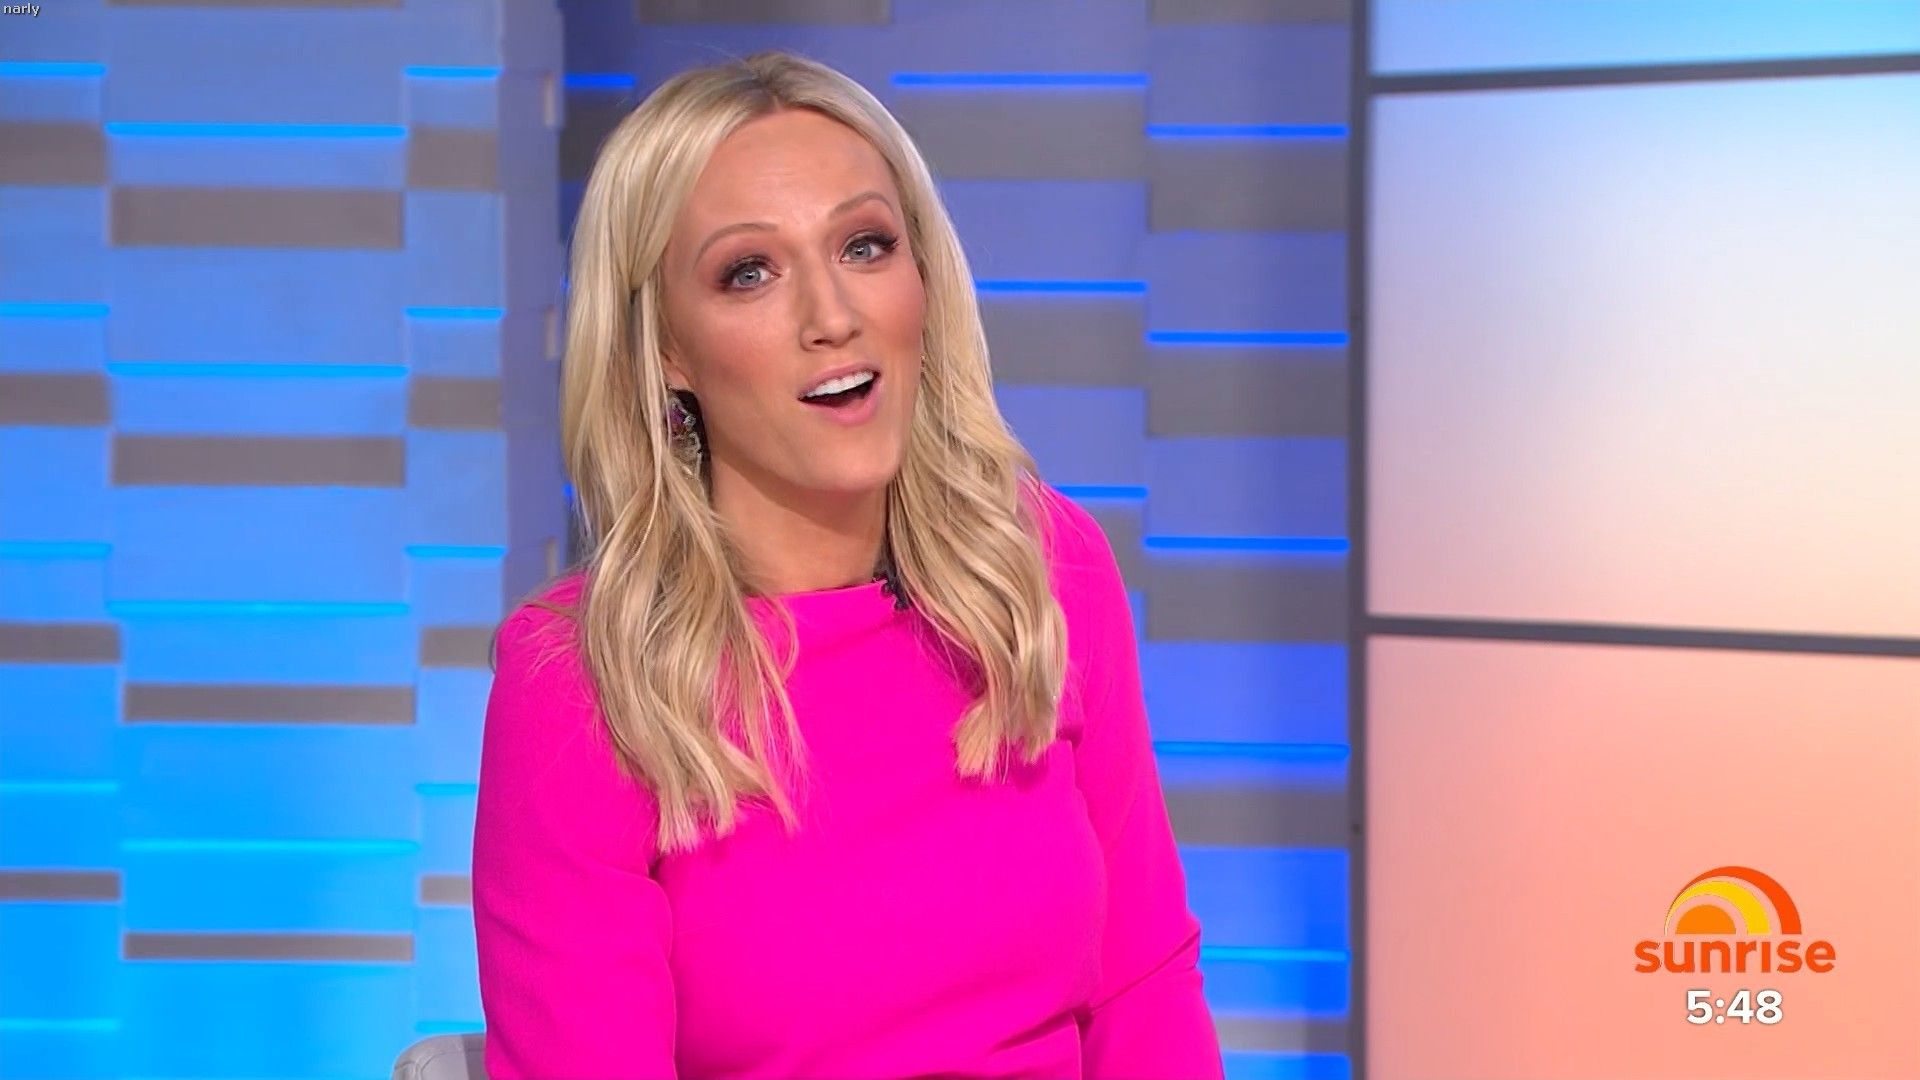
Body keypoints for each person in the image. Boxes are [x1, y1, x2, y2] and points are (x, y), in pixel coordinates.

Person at [470, 48, 1224, 1079]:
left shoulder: (1042, 571)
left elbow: (1145, 985)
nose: (832, 317)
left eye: (865, 246)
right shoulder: (584, 680)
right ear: (667, 353)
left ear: (923, 279)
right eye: (749, 272)